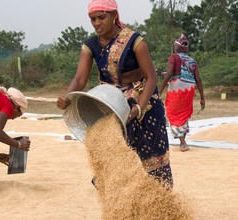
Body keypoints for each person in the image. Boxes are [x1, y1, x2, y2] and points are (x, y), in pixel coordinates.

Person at [57, 0, 173, 189]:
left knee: (154, 160)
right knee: (113, 155)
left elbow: (151, 78)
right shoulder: (91, 45)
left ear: (114, 16)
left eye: (101, 17)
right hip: (113, 104)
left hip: (144, 102)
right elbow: (79, 79)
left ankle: (162, 203)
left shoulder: (135, 41)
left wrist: (138, 108)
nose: (96, 23)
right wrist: (67, 96)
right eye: (92, 19)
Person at [158, 34, 205, 152]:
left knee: (173, 113)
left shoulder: (173, 57)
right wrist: (202, 97)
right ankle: (183, 140)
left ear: (177, 47)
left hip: (177, 88)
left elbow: (170, 74)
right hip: (189, 90)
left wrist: (160, 90)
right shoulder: (192, 61)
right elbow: (198, 79)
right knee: (183, 114)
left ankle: (183, 142)